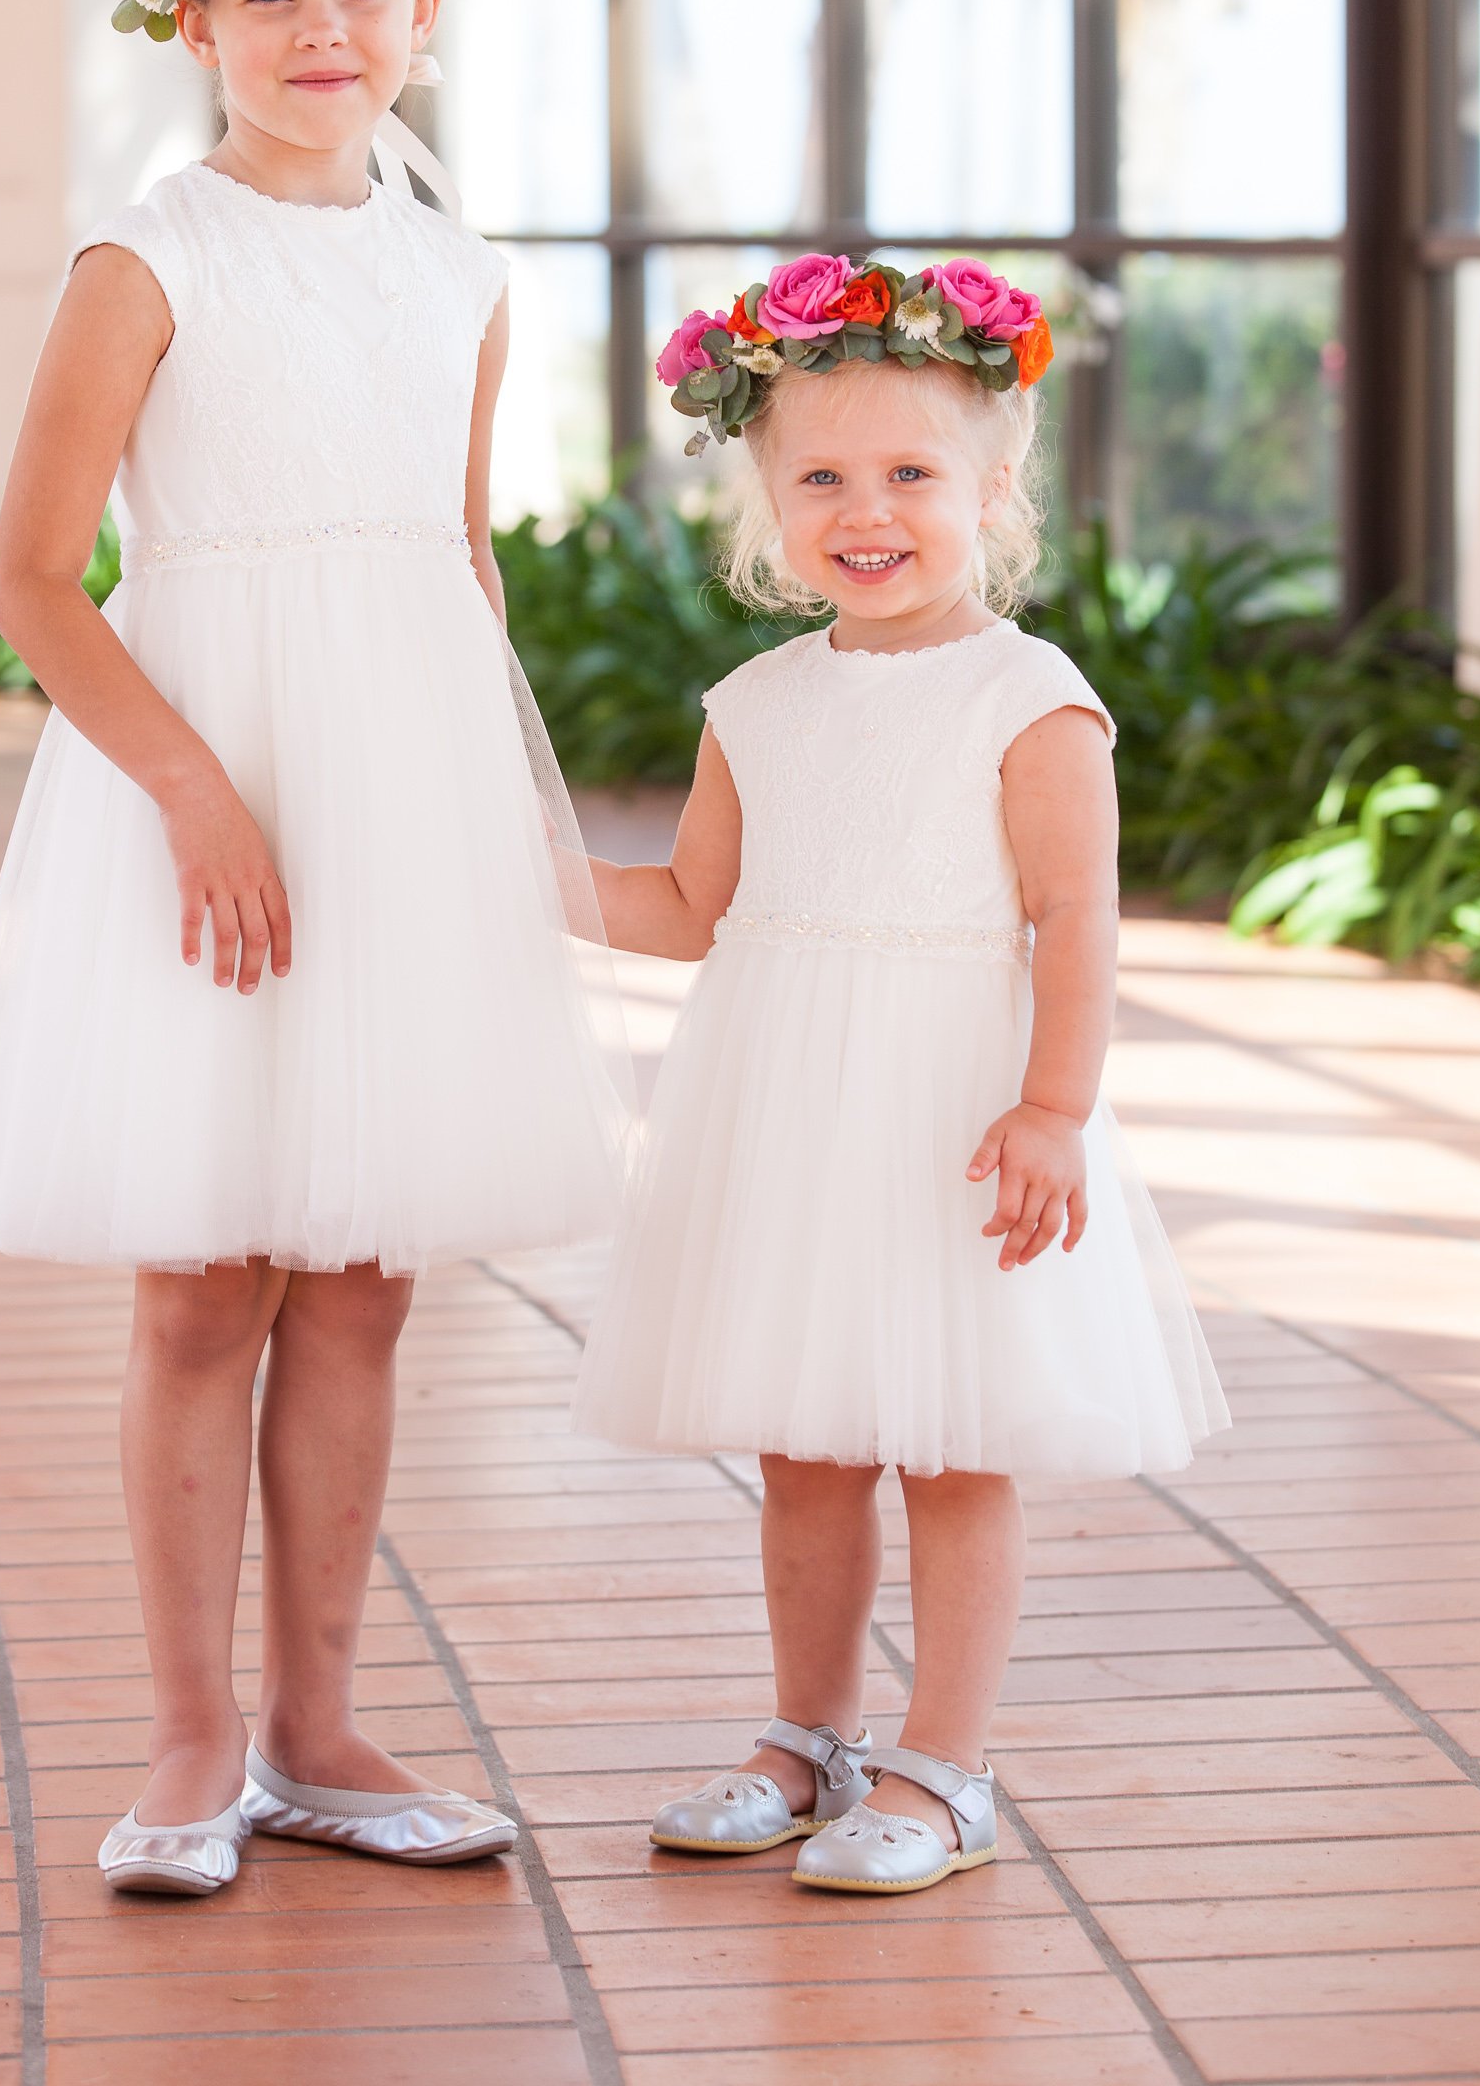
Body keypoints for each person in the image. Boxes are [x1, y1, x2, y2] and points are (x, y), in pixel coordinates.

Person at [0, 0, 625, 1893]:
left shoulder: (464, 272)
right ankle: (191, 1736)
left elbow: (455, 555)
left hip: (398, 790)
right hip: (199, 794)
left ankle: (321, 1726)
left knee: (363, 1274)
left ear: (423, 7)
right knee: (203, 1277)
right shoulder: (151, 255)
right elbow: (36, 577)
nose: (325, 32)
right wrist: (196, 787)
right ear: (192, 18)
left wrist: (489, 814)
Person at [573, 251, 1226, 1895]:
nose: (866, 512)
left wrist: (1055, 1109)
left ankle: (945, 1765)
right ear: (766, 501)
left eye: (912, 474)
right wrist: (521, 877)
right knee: (805, 1444)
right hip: (787, 1109)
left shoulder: (1031, 703)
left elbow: (1076, 919)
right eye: (822, 479)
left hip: (954, 1114)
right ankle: (808, 1738)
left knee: (949, 1439)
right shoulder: (757, 702)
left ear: (994, 488)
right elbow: (690, 905)